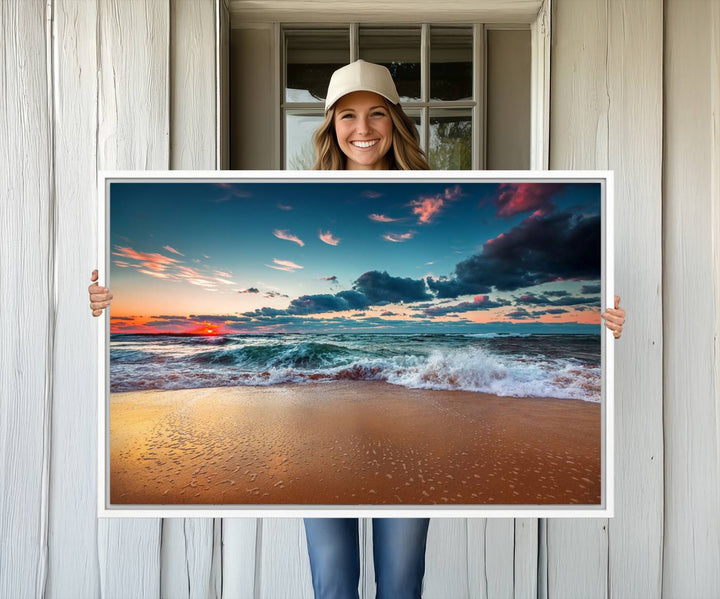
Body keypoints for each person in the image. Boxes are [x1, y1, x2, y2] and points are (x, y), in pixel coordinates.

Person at [88, 60, 627, 599]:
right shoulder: (302, 200)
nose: (363, 129)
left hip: (413, 422)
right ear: (330, 125)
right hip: (319, 421)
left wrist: (605, 321)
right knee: (333, 584)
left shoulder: (444, 192)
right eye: (348, 115)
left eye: (376, 114)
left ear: (395, 121)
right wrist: (105, 304)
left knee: (400, 583)